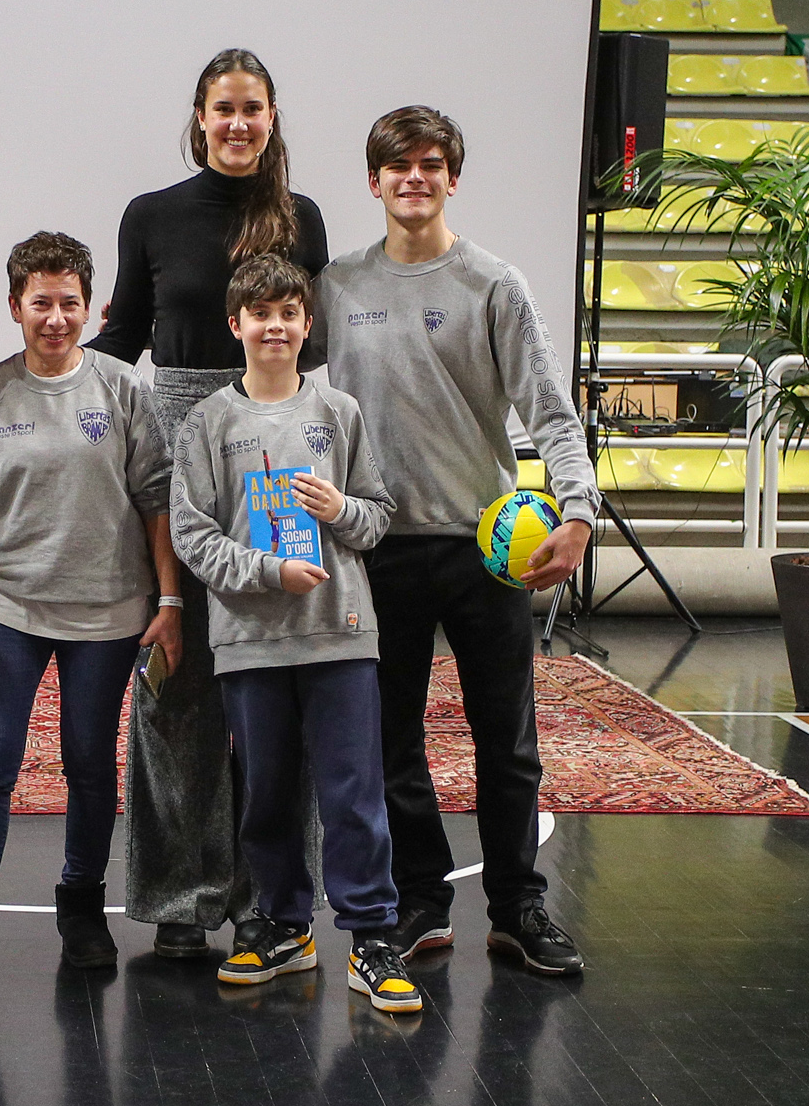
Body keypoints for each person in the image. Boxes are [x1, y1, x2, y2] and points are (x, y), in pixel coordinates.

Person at [317, 106, 599, 975]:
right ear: (374, 181)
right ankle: (422, 902)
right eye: (398, 166)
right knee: (390, 740)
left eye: (431, 164)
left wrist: (579, 513)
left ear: (451, 178)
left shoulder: (494, 285)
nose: (415, 178)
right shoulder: (337, 285)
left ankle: (517, 907)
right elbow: (275, 362)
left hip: (487, 551)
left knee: (505, 742)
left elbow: (550, 410)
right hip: (378, 547)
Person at [88, 49, 331, 958]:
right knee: (178, 683)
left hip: (275, 457)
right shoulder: (150, 215)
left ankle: (272, 898)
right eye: (223, 108)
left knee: (274, 684)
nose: (237, 123)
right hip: (178, 453)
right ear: (199, 116)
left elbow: (316, 348)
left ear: (271, 117)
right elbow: (121, 338)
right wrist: (35, 381)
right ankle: (182, 897)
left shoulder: (302, 218)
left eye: (252, 108)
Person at [0, 232, 183, 987]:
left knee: (90, 765)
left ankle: (83, 911)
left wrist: (168, 599)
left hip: (108, 613)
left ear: (90, 308)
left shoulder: (122, 389)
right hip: (7, 608)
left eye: (69, 303)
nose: (56, 318)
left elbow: (156, 499)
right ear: (15, 307)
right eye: (41, 303)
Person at [169, 254, 419, 1013]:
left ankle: (372, 937)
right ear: (235, 324)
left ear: (308, 325)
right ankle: (283, 925)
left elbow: (378, 516)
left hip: (340, 634)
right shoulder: (207, 422)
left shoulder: (339, 412)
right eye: (260, 313)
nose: (274, 326)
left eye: (288, 313)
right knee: (267, 794)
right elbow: (190, 534)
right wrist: (269, 571)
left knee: (353, 794)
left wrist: (340, 509)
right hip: (250, 640)